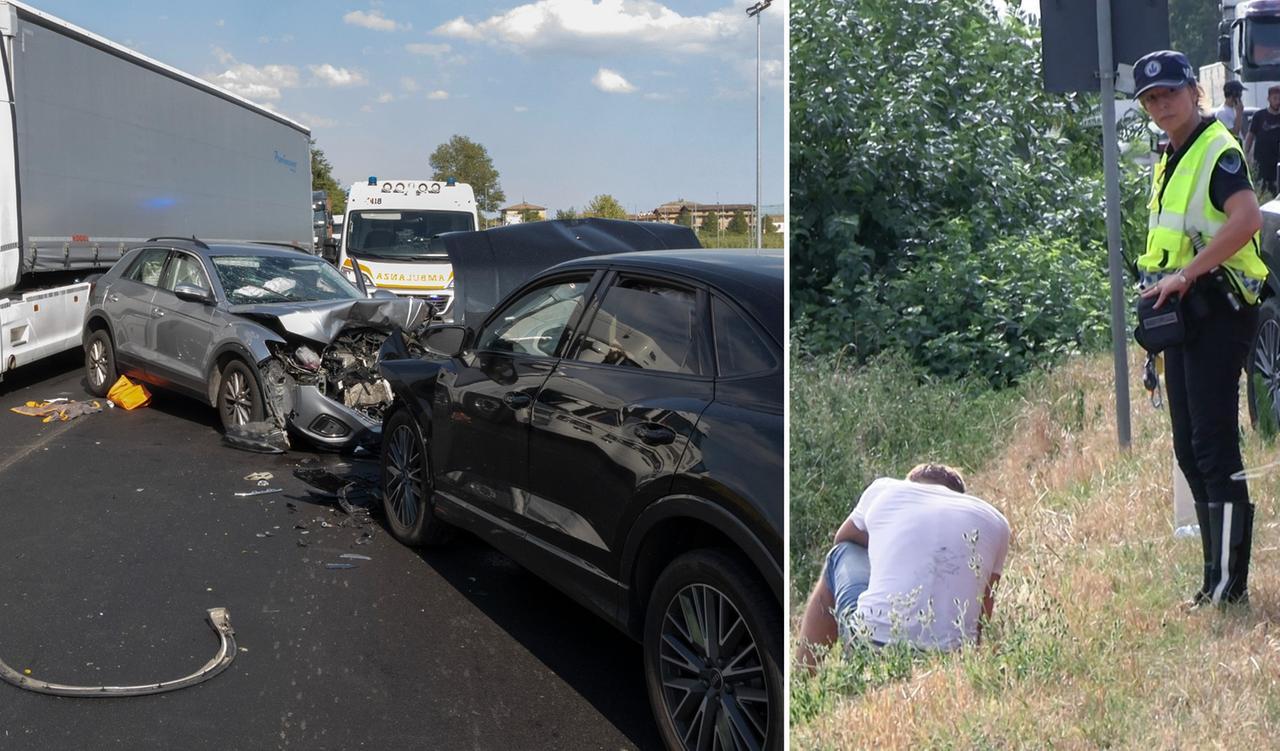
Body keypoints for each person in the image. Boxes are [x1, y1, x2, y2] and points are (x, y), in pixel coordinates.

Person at [1134, 50, 1268, 608]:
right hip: (1186, 315)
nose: (1161, 105)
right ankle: (1214, 578)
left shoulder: (1218, 150)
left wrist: (1188, 272)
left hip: (1220, 310)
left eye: (1169, 93)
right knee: (1190, 448)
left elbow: (1247, 220)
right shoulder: (1171, 152)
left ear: (1194, 90)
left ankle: (1230, 588)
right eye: (1151, 98)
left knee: (1214, 448)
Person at [795, 463, 1010, 669]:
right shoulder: (997, 522)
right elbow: (982, 616)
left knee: (841, 554)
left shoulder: (885, 488)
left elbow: (843, 539)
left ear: (912, 481)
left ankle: (803, 674)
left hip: (872, 645)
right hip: (952, 657)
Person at [1246, 84, 1280, 195]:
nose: (1277, 101)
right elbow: (1250, 136)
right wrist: (1246, 154)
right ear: (1268, 99)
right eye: (1275, 98)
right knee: (1261, 193)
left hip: (1277, 165)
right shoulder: (1259, 116)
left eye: (1279, 98)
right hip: (1261, 164)